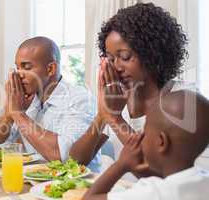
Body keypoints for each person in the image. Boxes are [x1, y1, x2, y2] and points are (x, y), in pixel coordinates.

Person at [69, 3, 188, 172]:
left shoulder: (182, 100)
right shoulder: (120, 99)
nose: (116, 66)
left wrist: (115, 119)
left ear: (153, 53)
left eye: (125, 57)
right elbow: (76, 161)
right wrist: (103, 115)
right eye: (110, 59)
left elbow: (164, 170)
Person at [0, 36, 100, 171]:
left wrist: (19, 114)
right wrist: (9, 115)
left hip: (78, 187)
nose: (19, 74)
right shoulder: (27, 99)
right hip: (36, 183)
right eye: (17, 68)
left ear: (50, 69)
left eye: (26, 67)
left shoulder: (80, 99)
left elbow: (65, 155)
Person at [83, 90, 209, 200]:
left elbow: (89, 198)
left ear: (161, 142)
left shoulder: (153, 193)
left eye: (145, 129)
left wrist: (120, 165)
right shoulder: (204, 179)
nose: (140, 134)